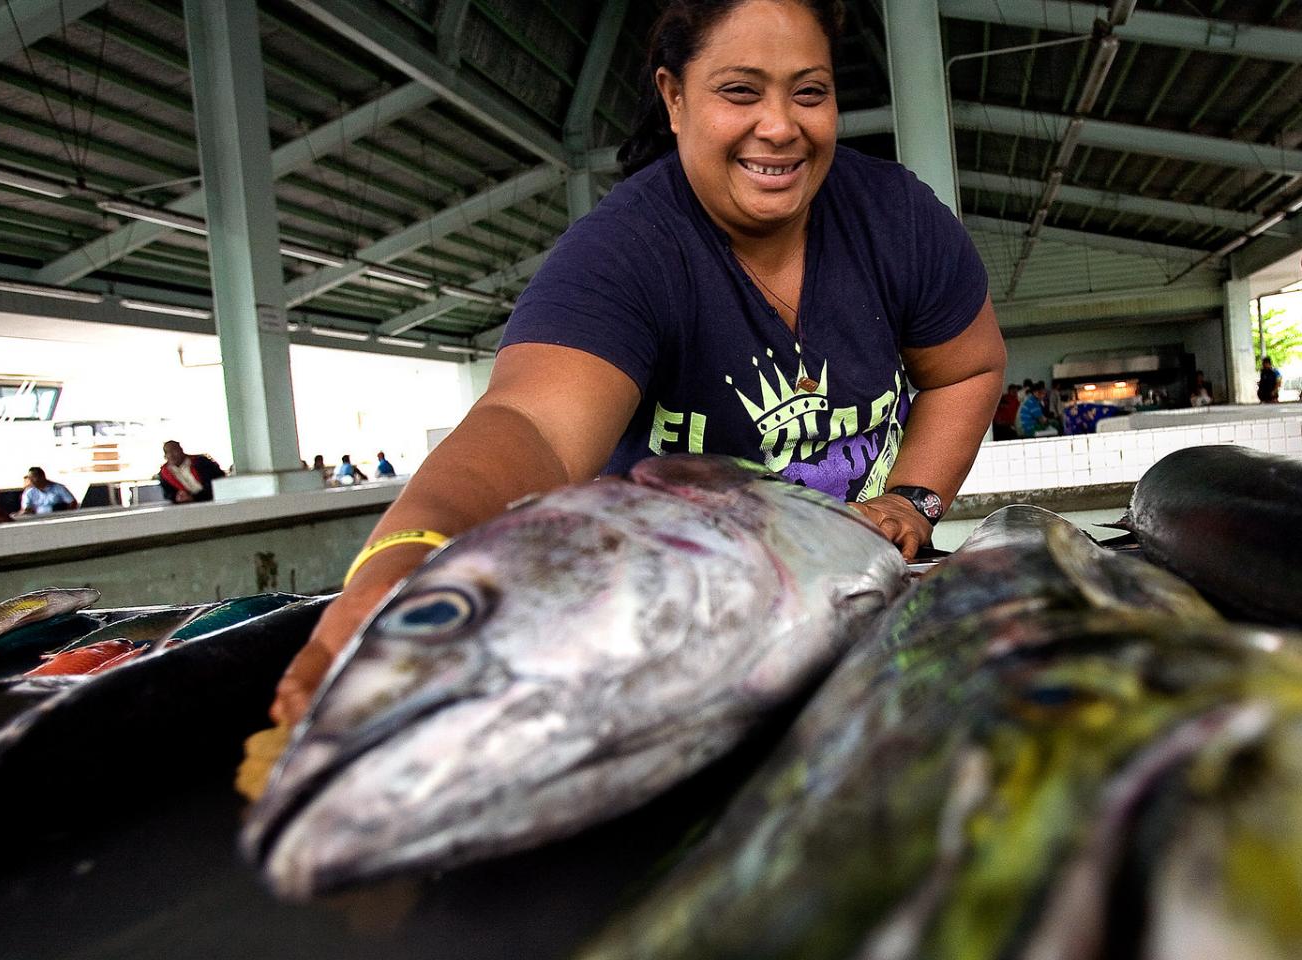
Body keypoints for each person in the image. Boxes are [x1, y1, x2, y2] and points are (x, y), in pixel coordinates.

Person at [271, 0, 1006, 725]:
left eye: (808, 93)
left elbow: (964, 370)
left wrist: (914, 499)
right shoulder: (626, 254)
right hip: (676, 638)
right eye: (740, 91)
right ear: (675, 97)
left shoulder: (894, 219)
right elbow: (532, 425)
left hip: (868, 605)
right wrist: (397, 568)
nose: (781, 127)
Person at [159, 440, 226, 504]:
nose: (171, 455)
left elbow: (218, 482)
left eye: (174, 450)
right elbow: (168, 494)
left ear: (181, 450)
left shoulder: (201, 462)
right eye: (168, 452)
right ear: (165, 456)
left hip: (214, 500)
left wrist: (195, 497)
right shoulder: (165, 474)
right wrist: (178, 497)